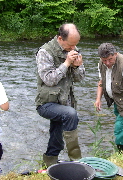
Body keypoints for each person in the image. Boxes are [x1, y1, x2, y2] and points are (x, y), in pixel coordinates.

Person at [35, 23, 85, 167]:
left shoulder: (73, 48)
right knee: (70, 114)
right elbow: (49, 79)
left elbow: (80, 78)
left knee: (56, 133)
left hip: (64, 101)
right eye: (70, 45)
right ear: (60, 38)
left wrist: (77, 66)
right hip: (46, 103)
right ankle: (76, 160)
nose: (73, 48)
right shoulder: (44, 52)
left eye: (75, 45)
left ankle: (50, 162)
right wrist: (67, 62)